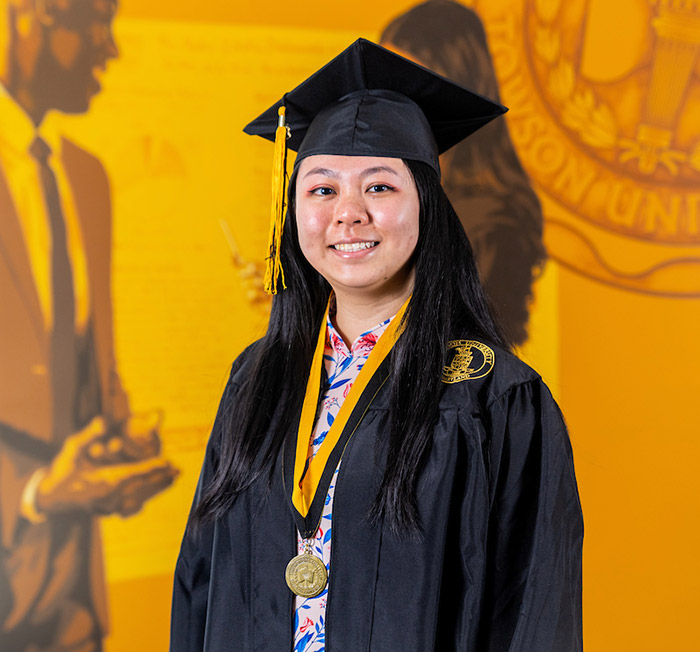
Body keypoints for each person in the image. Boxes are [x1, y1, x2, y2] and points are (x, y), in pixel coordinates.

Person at [171, 39, 582, 651]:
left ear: (427, 207)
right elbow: (200, 583)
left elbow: (533, 613)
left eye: (381, 188)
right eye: (322, 189)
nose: (348, 214)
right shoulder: (257, 377)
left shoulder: (494, 398)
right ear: (295, 211)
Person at [0, 0, 177, 649]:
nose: (112, 47)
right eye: (100, 19)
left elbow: (81, 370)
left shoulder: (87, 181)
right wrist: (36, 495)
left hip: (73, 598)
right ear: (40, 10)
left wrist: (115, 442)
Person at [381, 0, 546, 345]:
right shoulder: (395, 184)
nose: (392, 102)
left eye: (410, 84)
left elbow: (459, 345)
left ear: (456, 85)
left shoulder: (493, 222)